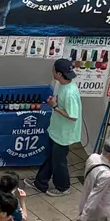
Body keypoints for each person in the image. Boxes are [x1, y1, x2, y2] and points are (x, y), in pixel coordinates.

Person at [34, 57, 82, 194]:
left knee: (59, 162)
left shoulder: (70, 92)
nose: (52, 71)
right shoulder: (62, 85)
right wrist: (54, 101)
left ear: (59, 74)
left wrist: (54, 107)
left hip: (64, 133)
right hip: (56, 129)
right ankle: (40, 182)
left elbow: (73, 116)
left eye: (53, 69)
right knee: (50, 157)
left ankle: (63, 187)